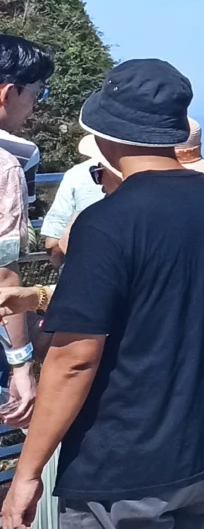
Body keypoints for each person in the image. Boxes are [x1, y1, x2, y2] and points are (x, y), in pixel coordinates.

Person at [2, 59, 204, 529]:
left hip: (125, 466)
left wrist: (28, 472)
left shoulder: (105, 222)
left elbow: (75, 359)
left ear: (106, 134)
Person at [0, 36, 53, 427]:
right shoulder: (8, 166)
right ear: (8, 92)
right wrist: (21, 363)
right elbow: (3, 274)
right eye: (36, 93)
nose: (35, 105)